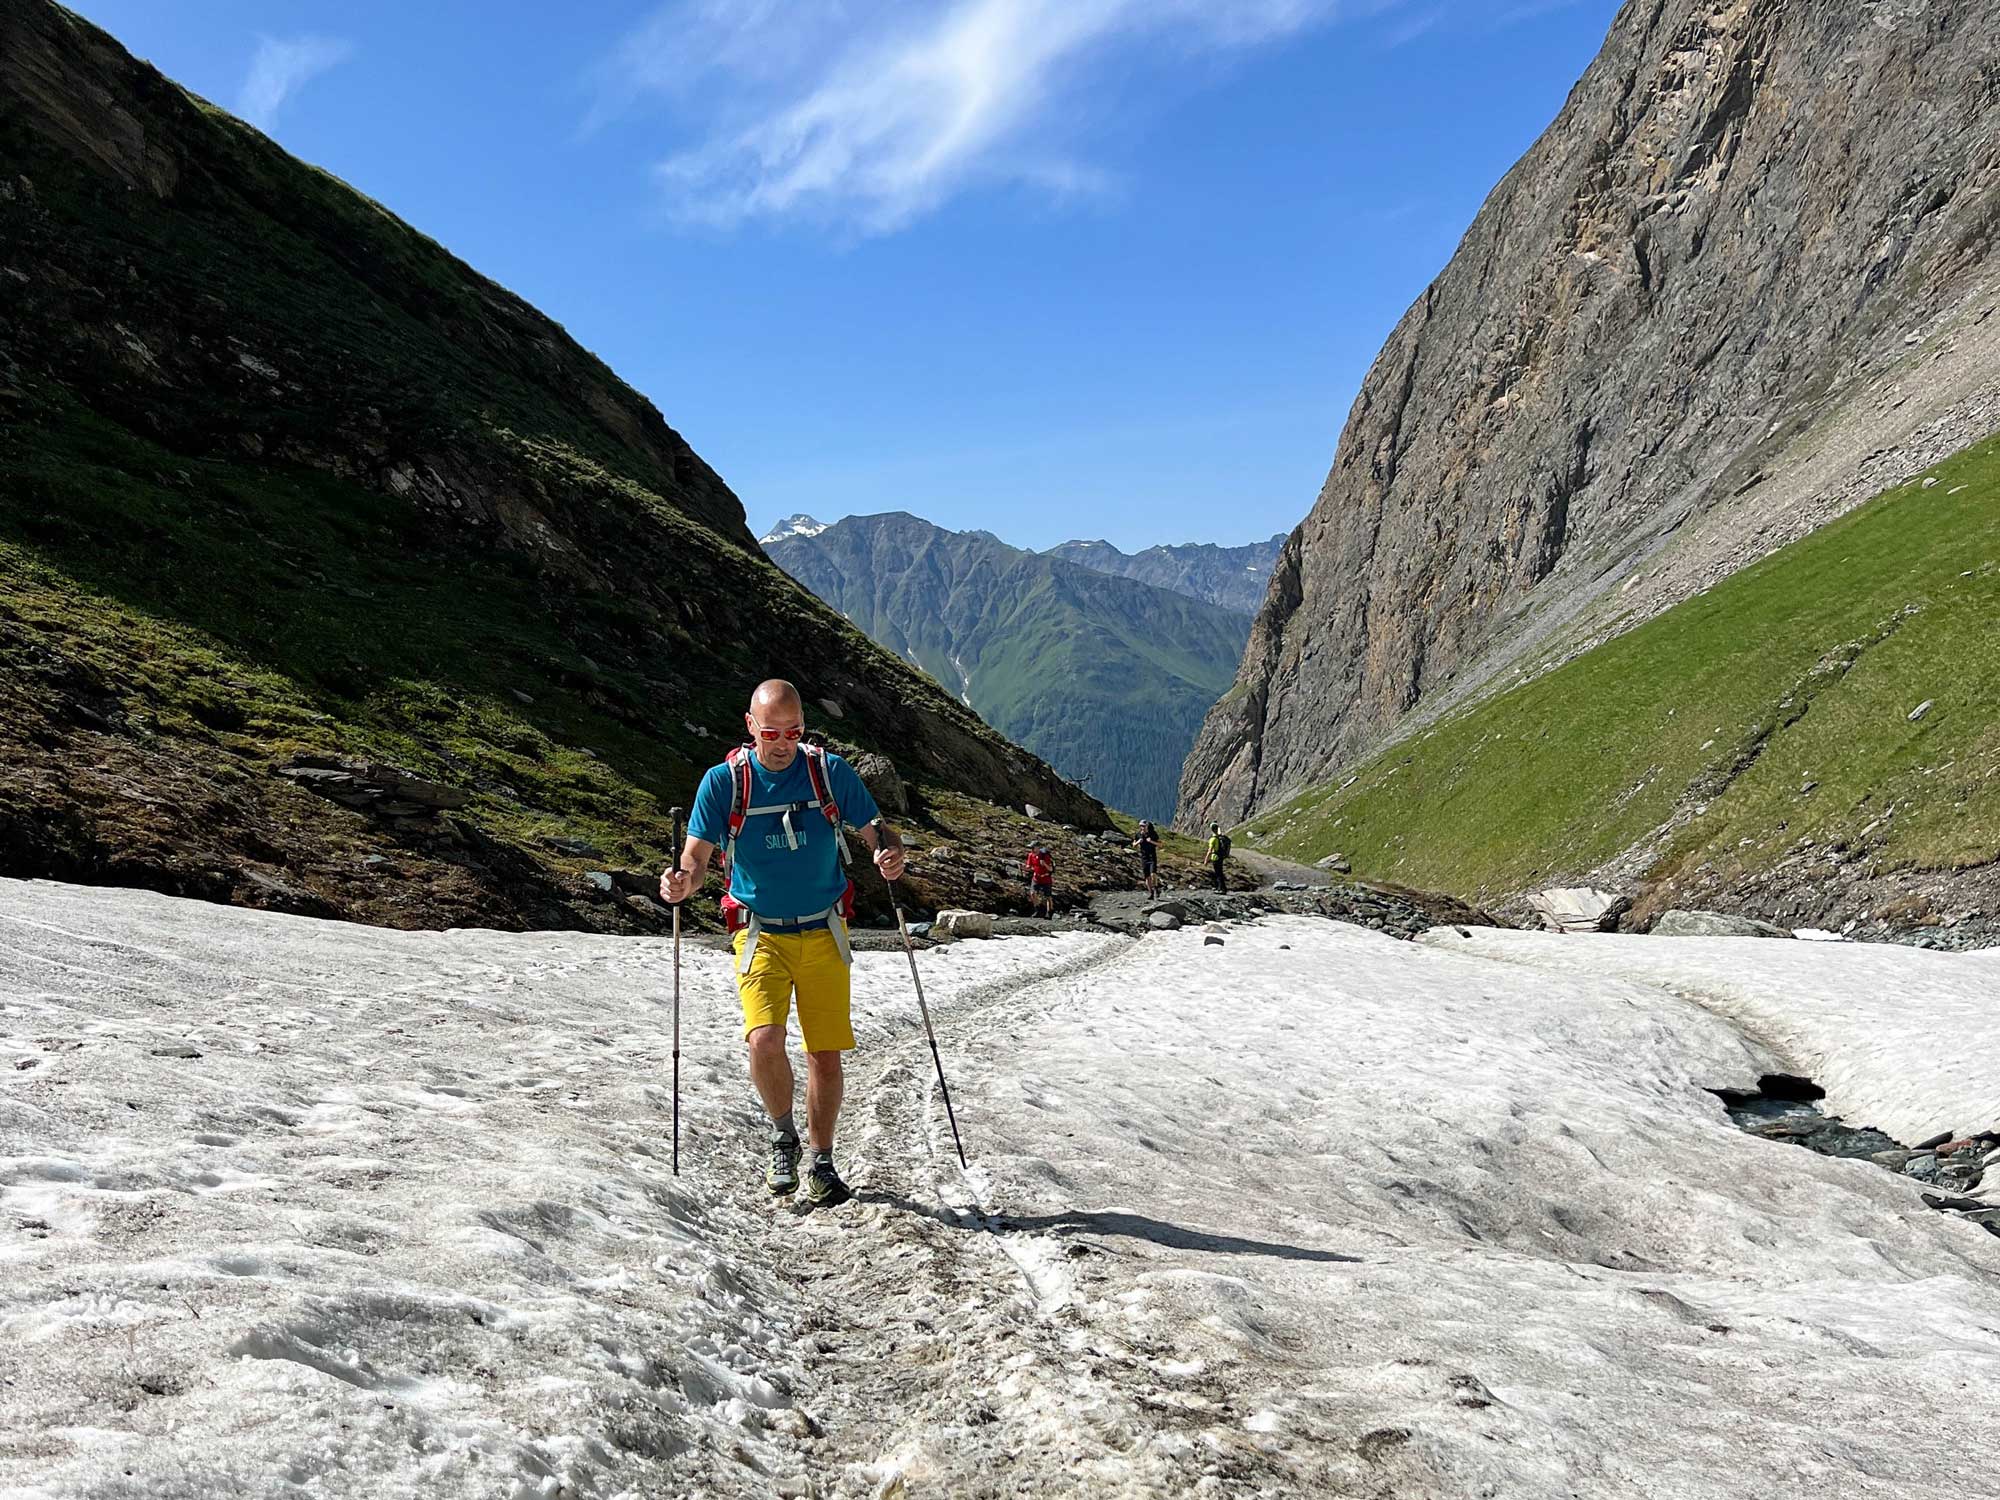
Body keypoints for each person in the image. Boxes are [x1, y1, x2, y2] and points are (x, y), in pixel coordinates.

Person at [660, 679, 905, 1206]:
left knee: (825, 1053)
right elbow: (697, 859)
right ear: (751, 727)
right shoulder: (724, 783)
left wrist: (889, 854)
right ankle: (783, 1135)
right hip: (759, 931)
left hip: (824, 929)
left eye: (793, 732)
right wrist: (680, 881)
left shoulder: (828, 772)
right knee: (764, 1040)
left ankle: (821, 1160)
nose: (783, 743)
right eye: (771, 732)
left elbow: (878, 831)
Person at [1024, 842, 1054, 917]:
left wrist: (1044, 864)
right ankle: (1038, 910)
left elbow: (1050, 869)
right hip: (1036, 877)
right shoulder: (1031, 855)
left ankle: (1049, 911)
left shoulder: (1044, 856)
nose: (1031, 850)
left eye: (1033, 848)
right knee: (1032, 893)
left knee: (1047, 896)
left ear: (1037, 848)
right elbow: (1029, 866)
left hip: (1045, 878)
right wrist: (1025, 868)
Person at [1133, 820, 1160, 898]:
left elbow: (1160, 844)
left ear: (1147, 826)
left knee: (1153, 874)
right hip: (1144, 858)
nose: (1142, 827)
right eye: (1141, 826)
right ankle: (1151, 893)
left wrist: (1151, 841)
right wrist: (1138, 842)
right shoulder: (1138, 834)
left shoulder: (1153, 834)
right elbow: (1133, 845)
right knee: (1147, 877)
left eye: (1144, 826)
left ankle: (1156, 888)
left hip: (1152, 857)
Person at [1206, 822, 1229, 893]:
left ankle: (1221, 889)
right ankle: (1221, 888)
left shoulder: (1213, 839)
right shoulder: (1220, 838)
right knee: (1220, 872)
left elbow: (1210, 850)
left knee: (1218, 873)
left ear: (1211, 829)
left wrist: (1206, 859)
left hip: (1215, 857)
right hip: (1221, 856)